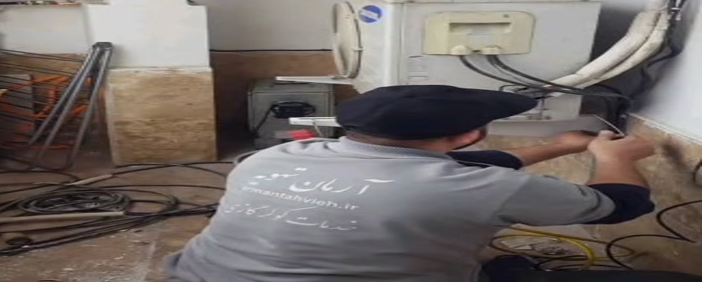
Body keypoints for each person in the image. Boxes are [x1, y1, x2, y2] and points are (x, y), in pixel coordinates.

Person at [166, 85, 657, 282]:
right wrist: (613, 155)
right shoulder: (476, 186)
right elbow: (622, 203)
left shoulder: (270, 157)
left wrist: (557, 147)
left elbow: (437, 171)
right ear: (470, 134)